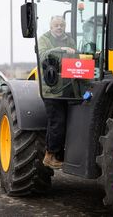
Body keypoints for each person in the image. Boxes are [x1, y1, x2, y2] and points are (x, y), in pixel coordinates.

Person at [38, 15, 76, 169]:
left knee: (66, 122)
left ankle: (60, 155)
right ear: (51, 26)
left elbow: (76, 56)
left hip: (68, 87)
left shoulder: (69, 39)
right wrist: (60, 50)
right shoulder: (44, 39)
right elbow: (42, 56)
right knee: (56, 122)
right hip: (52, 88)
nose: (59, 27)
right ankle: (50, 155)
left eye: (61, 25)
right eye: (56, 25)